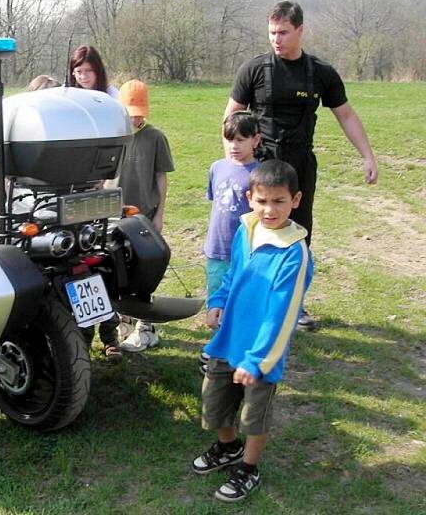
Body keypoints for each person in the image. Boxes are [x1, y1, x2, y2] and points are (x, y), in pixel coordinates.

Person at [224, 0, 377, 331]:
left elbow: (346, 115)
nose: (276, 39)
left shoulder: (320, 72)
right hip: (260, 166)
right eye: (271, 33)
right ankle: (252, 301)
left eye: (283, 32)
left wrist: (367, 156)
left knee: (298, 234)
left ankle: (293, 305)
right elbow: (231, 115)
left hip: (299, 165)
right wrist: (232, 160)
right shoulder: (254, 69)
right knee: (256, 230)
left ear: (300, 31)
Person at [191, 160, 313, 503]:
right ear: (250, 198)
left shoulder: (294, 253)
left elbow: (283, 314)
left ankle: (248, 467)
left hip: (262, 355)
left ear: (296, 200)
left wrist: (258, 360)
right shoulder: (246, 230)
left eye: (279, 201)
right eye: (262, 201)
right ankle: (227, 447)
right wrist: (218, 300)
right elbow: (232, 276)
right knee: (213, 404)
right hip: (227, 340)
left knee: (253, 417)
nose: (269, 209)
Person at [112, 80, 175, 353]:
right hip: (116, 216)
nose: (135, 117)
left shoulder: (155, 137)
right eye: (130, 111)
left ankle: (146, 328)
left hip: (146, 216)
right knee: (117, 269)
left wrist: (160, 213)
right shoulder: (114, 137)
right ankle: (121, 322)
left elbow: (161, 177)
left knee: (145, 270)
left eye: (139, 111)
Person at [66, 45, 121, 359]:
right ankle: (79, 339)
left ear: (98, 71)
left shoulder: (110, 99)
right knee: (76, 262)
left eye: (87, 70)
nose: (82, 76)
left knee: (100, 258)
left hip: (100, 185)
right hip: (73, 187)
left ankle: (109, 332)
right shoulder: (68, 99)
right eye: (78, 70)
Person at [199, 111, 261, 373]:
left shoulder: (259, 174)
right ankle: (218, 348)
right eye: (229, 140)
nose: (233, 146)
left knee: (240, 301)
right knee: (217, 300)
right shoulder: (217, 167)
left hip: (245, 252)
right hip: (216, 249)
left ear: (256, 140)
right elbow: (216, 203)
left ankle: (233, 350)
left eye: (240, 140)